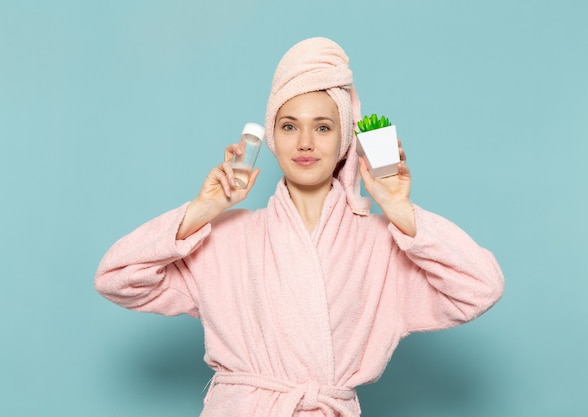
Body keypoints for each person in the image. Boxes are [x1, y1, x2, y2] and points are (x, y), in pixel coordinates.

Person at [95, 37, 504, 417]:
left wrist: (400, 209)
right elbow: (117, 278)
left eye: (323, 127)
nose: (305, 143)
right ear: (272, 138)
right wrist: (202, 210)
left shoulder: (383, 246)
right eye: (289, 126)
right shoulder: (225, 237)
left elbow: (480, 287)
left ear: (344, 140)